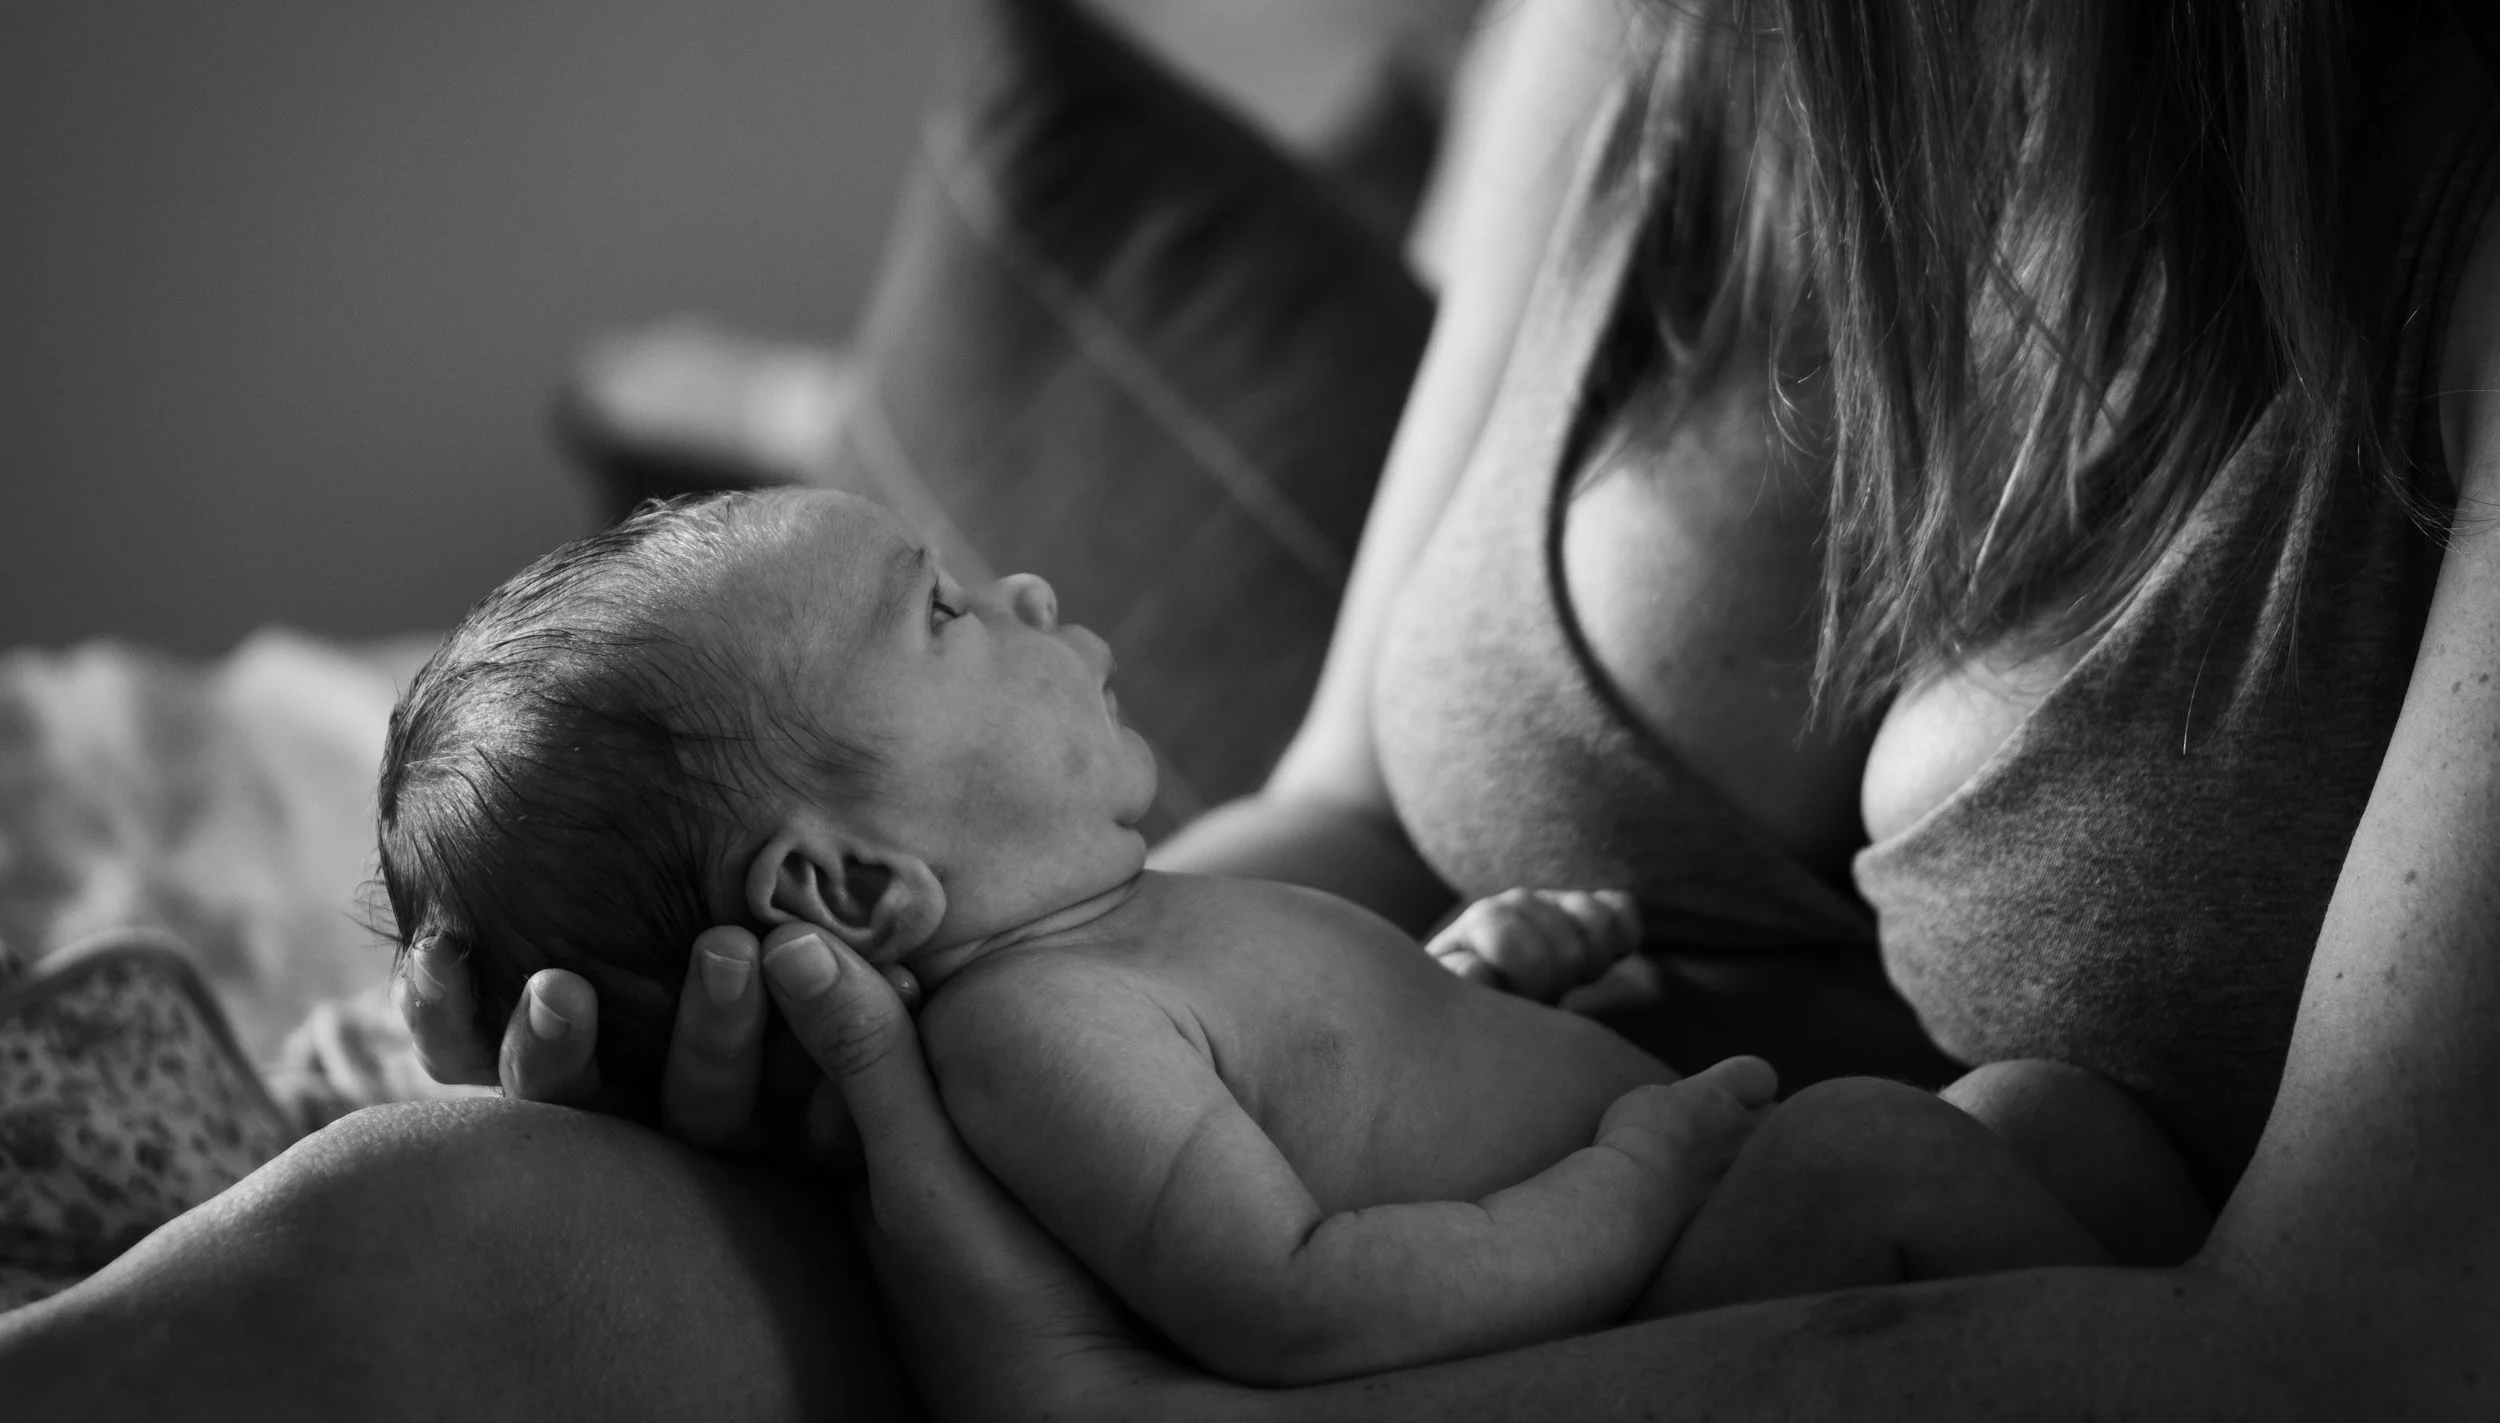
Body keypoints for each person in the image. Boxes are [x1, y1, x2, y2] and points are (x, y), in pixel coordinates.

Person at [6, 0, 2499, 1415]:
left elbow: (2361, 1349)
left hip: (1903, 1326)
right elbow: (1339, 826)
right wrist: (905, 1048)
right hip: (1334, 1249)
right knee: (436, 1240)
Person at [374, 484, 2190, 1384]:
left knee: (2054, 1117)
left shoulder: (1123, 937)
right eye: (931, 614)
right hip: (1618, 1299)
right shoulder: (1042, 1034)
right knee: (1889, 1149)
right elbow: (1302, 1294)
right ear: (848, 891)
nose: (1019, 590)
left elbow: (1319, 1095)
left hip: (1638, 1226)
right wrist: (1631, 1171)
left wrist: (1459, 985)